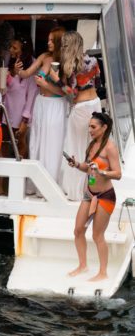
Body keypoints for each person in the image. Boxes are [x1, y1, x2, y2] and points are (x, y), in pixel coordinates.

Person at [66, 112, 121, 281]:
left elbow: (118, 174)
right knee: (78, 230)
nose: (89, 129)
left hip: (105, 196)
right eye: (89, 126)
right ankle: (83, 265)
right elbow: (88, 168)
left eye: (93, 127)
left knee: (98, 235)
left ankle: (103, 273)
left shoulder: (110, 147)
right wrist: (77, 165)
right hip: (89, 194)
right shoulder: (91, 146)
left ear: (104, 128)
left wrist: (102, 171)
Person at [53, 31, 102, 202]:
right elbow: (97, 83)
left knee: (77, 149)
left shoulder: (68, 65)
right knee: (93, 149)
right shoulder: (94, 61)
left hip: (80, 108)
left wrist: (56, 79)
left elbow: (72, 93)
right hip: (95, 104)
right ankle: (92, 188)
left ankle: (75, 192)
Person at [17, 27, 66, 190]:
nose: (48, 42)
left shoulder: (65, 61)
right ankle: (35, 184)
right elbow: (27, 74)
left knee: (52, 142)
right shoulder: (44, 56)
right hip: (41, 103)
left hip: (55, 104)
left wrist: (45, 84)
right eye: (48, 39)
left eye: (52, 40)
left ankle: (50, 185)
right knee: (36, 140)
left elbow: (64, 92)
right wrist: (19, 71)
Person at [2, 37, 38, 161]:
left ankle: (20, 176)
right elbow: (6, 86)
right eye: (10, 47)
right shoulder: (9, 60)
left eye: (14, 48)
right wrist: (10, 73)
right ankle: (5, 176)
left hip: (21, 112)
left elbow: (32, 94)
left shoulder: (32, 65)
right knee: (4, 142)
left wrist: (25, 119)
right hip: (6, 108)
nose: (10, 50)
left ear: (24, 50)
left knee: (20, 143)